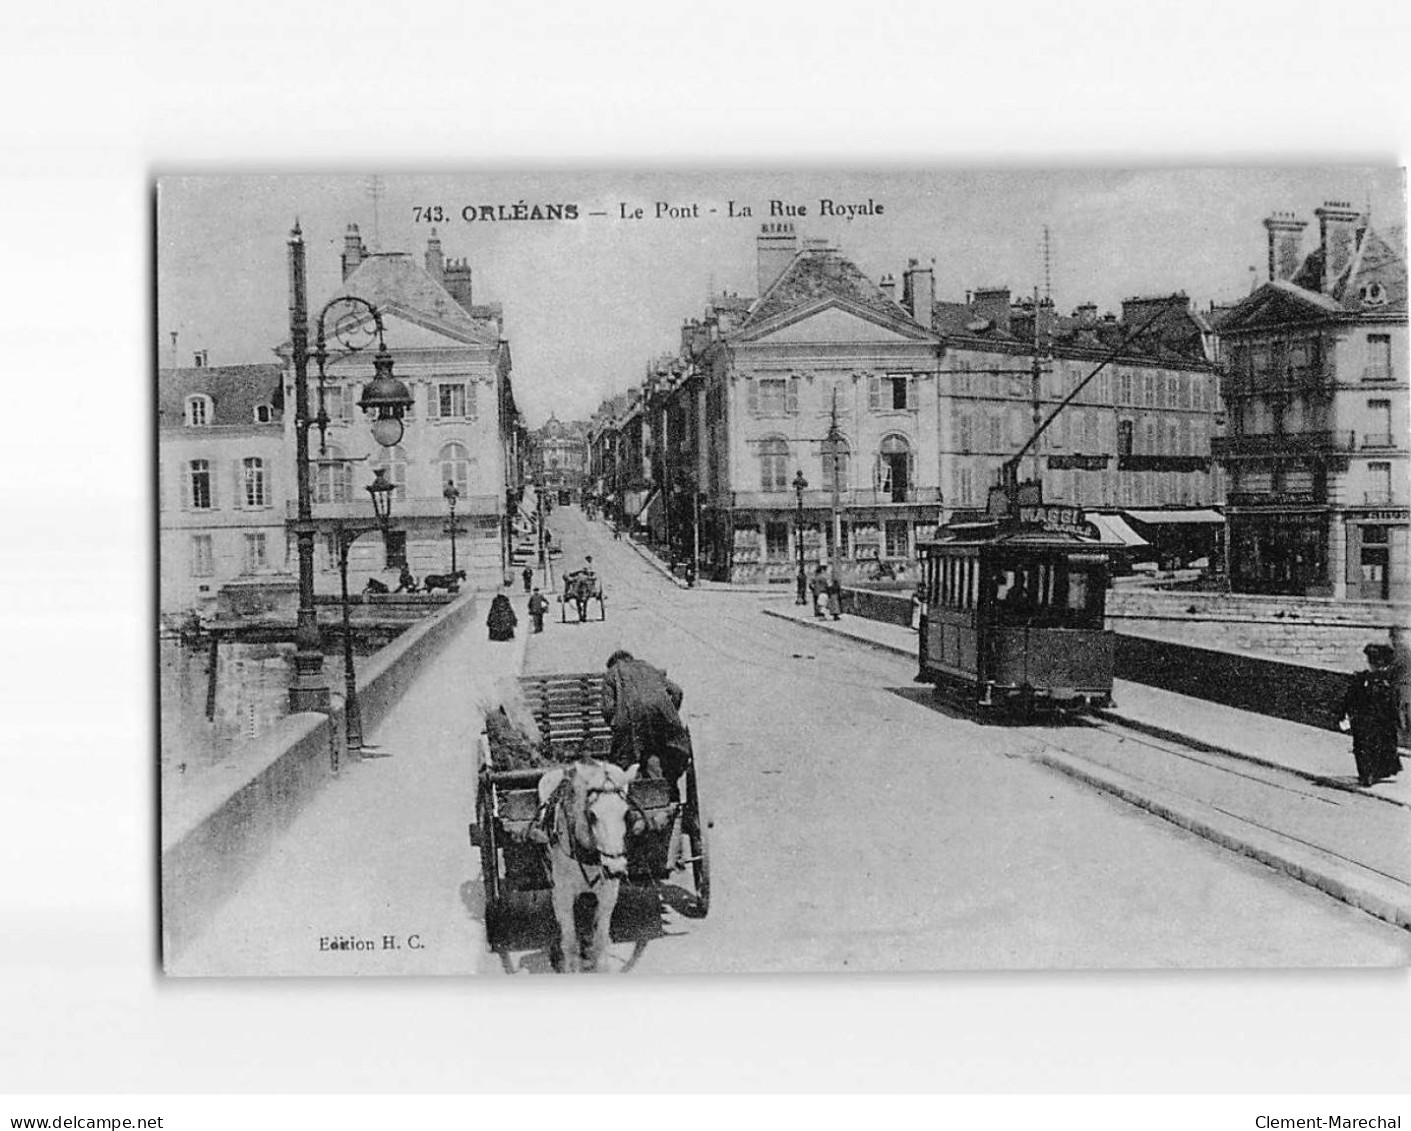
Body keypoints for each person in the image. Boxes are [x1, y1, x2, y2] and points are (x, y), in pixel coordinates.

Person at [601, 649, 693, 784]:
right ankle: (664, 791)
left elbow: (607, 709)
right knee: (658, 755)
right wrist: (670, 711)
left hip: (630, 724)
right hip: (662, 721)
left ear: (612, 663)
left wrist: (616, 722)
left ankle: (637, 793)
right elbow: (676, 691)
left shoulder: (612, 673)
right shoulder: (648, 668)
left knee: (625, 760)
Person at [1338, 642, 1402, 787]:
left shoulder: (1387, 682)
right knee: (1363, 747)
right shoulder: (1362, 679)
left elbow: (1393, 703)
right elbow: (1350, 698)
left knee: (1377, 747)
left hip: (1381, 721)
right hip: (1364, 720)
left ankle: (1372, 773)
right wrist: (1345, 714)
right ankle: (1366, 775)